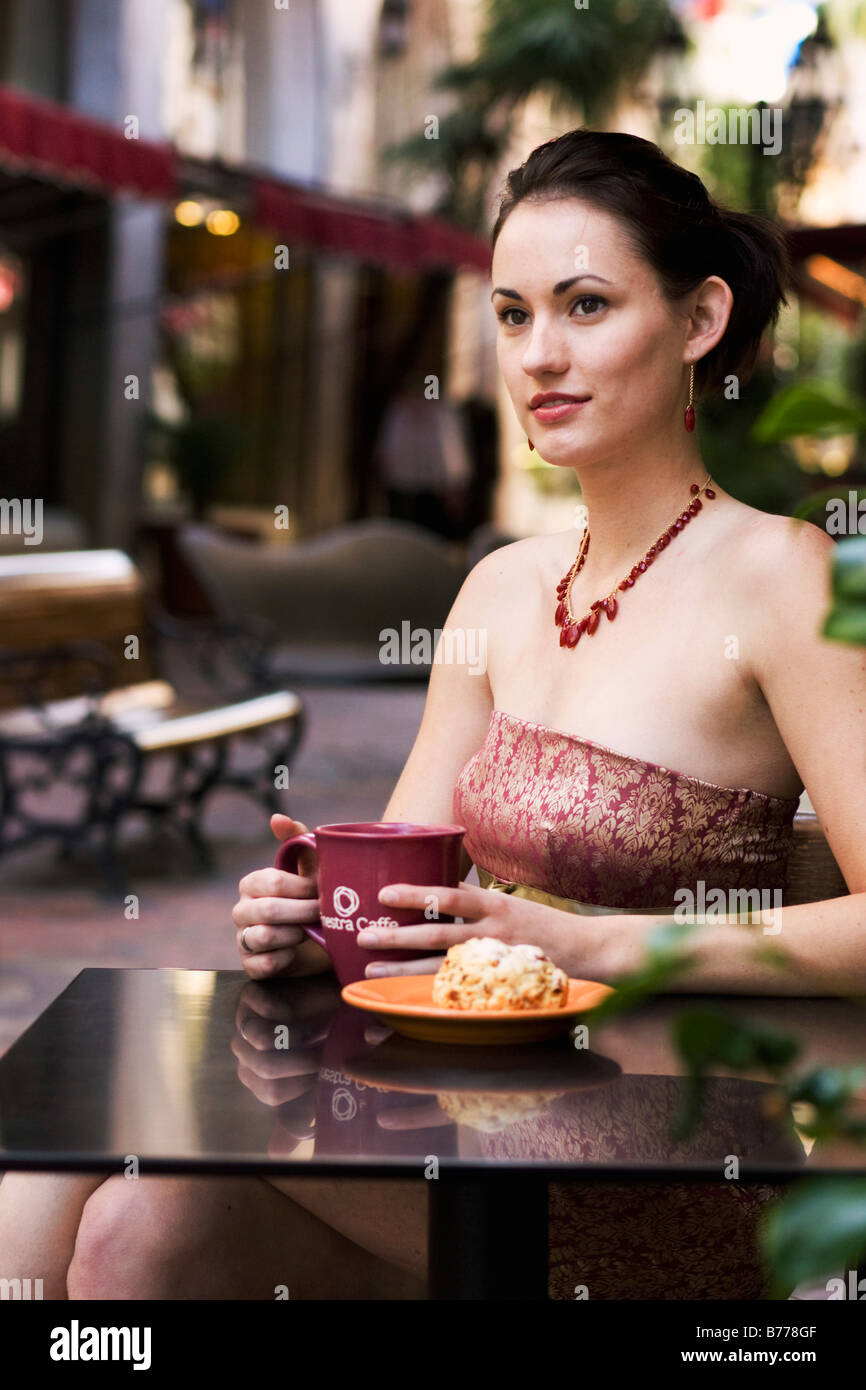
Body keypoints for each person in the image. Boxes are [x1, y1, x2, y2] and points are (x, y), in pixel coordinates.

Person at [3, 127, 865, 1300]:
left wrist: (605, 947)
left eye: (585, 305)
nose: (539, 356)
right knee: (129, 1231)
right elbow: (402, 886)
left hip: (659, 1153)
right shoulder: (500, 587)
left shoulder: (781, 577)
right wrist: (319, 924)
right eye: (512, 315)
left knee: (91, 1119)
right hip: (449, 1113)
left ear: (699, 321)